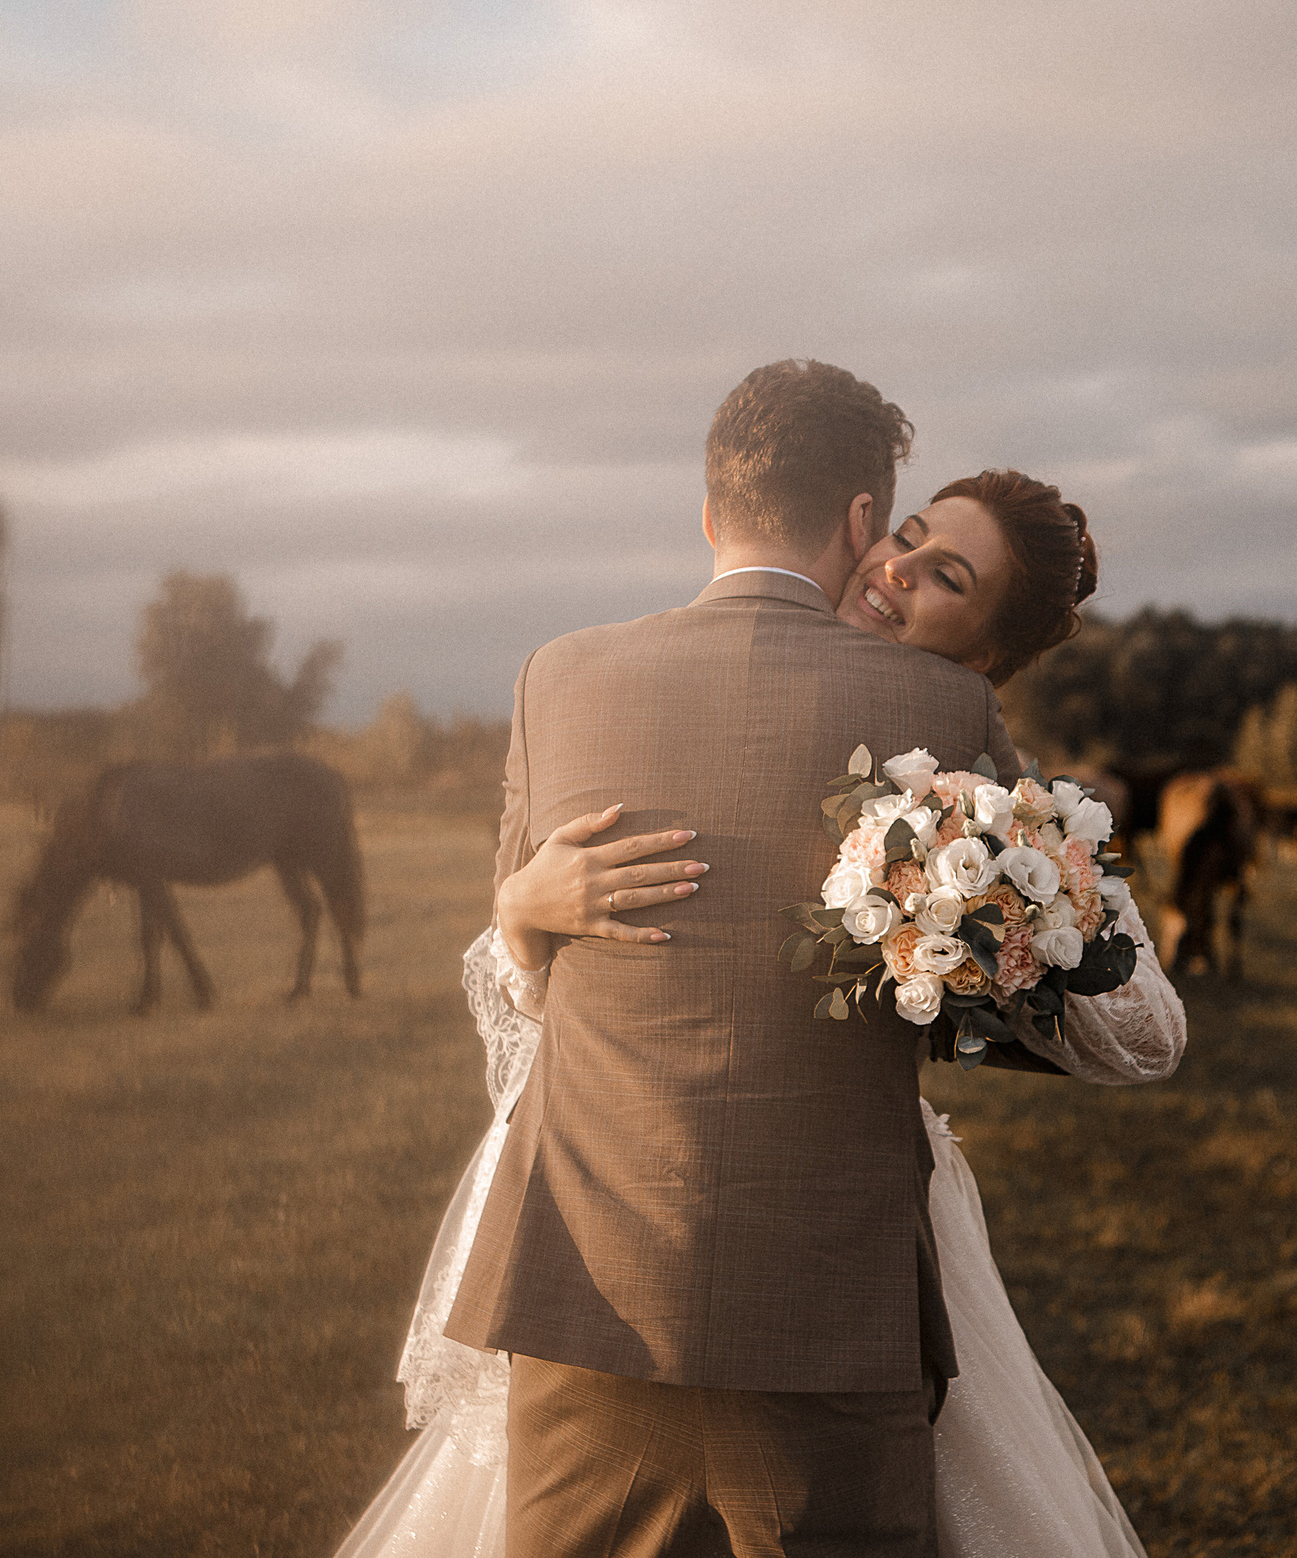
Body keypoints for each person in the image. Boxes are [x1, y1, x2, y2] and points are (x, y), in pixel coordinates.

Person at [335, 366, 1184, 1557]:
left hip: (636, 1287)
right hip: (777, 1298)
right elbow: (555, 999)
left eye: (946, 576)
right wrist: (523, 916)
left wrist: (977, 910)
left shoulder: (566, 676)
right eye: (908, 537)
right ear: (858, 521)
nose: (897, 571)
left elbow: (1139, 1024)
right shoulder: (933, 714)